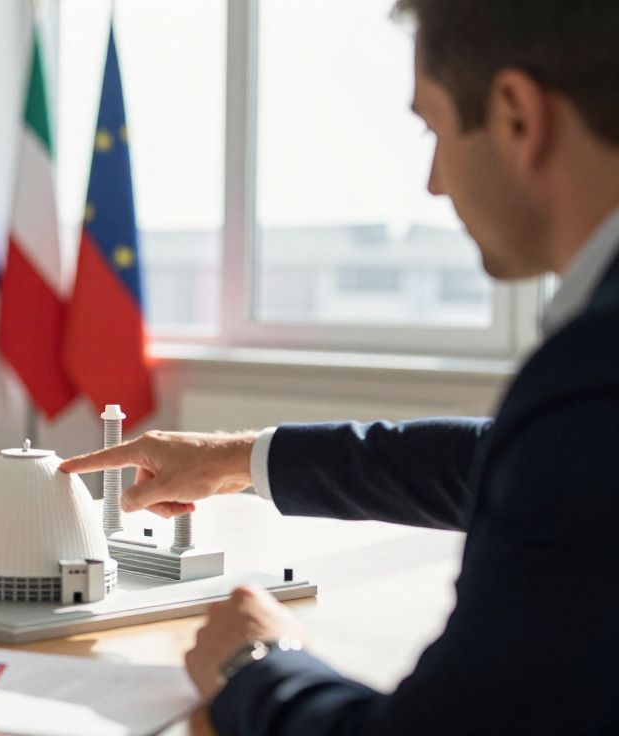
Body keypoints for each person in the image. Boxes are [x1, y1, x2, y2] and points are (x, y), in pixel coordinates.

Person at [61, 1, 619, 733]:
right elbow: (502, 459)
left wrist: (255, 664)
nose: (432, 182)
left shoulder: (591, 374)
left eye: (434, 129)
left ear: (517, 115)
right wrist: (233, 460)